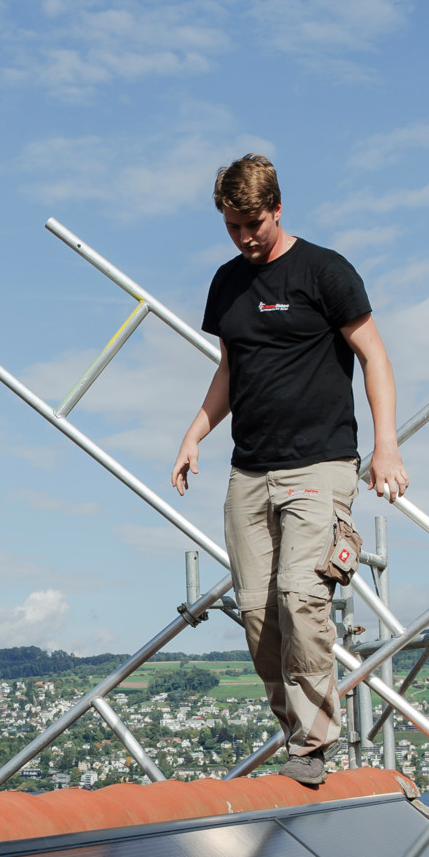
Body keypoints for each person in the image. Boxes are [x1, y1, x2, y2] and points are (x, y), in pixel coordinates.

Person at [169, 154, 409, 788]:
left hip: (321, 463)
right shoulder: (225, 284)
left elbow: (375, 357)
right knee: (258, 614)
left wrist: (387, 445)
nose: (245, 237)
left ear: (277, 208)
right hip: (249, 470)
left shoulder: (325, 272)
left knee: (300, 601)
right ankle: (297, 731)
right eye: (232, 226)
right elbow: (230, 370)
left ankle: (313, 741)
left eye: (253, 223)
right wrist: (195, 433)